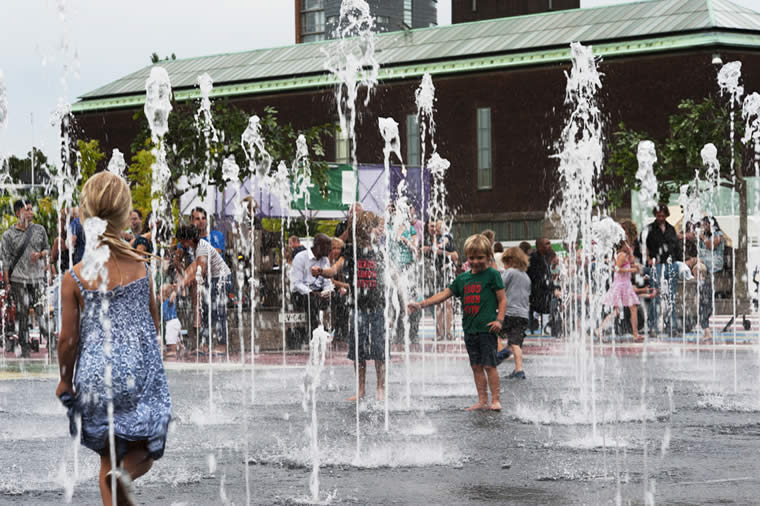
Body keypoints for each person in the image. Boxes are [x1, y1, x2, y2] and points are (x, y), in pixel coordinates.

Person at [56, 172, 171, 506]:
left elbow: (67, 340)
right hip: (136, 371)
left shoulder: (74, 276)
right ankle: (126, 474)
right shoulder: (141, 267)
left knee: (108, 455)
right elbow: (153, 323)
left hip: (94, 375)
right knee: (147, 446)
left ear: (85, 215)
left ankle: (116, 477)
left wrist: (65, 381)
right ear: (126, 215)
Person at [409, 234, 506, 411]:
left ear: (488, 257)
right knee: (476, 366)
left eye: (480, 258)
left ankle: (496, 399)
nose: (476, 261)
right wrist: (420, 305)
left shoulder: (492, 275)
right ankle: (482, 399)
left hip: (487, 329)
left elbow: (502, 299)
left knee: (490, 365)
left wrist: (499, 320)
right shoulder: (462, 279)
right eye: (471, 258)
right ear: (466, 258)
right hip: (469, 330)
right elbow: (443, 295)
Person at [315, 211, 387, 400]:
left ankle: (381, 387)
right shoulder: (350, 251)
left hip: (378, 306)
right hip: (358, 307)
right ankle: (361, 389)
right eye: (372, 226)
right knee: (358, 350)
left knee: (379, 349)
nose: (376, 231)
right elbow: (333, 270)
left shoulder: (379, 250)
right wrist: (321, 271)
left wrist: (404, 297)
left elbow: (392, 274)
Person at [1, 199, 50, 357]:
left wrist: (41, 254)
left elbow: (47, 250)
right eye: (27, 209)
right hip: (18, 279)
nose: (31, 212)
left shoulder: (39, 230)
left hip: (36, 277)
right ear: (18, 213)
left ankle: (51, 342)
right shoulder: (8, 235)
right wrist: (7, 283)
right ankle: (24, 347)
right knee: (22, 312)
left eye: (31, 209)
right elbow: (6, 260)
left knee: (40, 310)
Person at [175, 224, 232, 354]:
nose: (180, 244)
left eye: (181, 241)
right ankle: (204, 344)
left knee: (218, 311)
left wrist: (182, 285)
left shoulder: (201, 248)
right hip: (213, 280)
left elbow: (200, 274)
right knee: (205, 310)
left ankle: (222, 345)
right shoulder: (196, 248)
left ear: (188, 239)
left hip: (222, 279)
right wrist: (181, 281)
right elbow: (192, 268)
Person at [598, 220, 643, 342]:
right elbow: (617, 269)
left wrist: (632, 262)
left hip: (624, 284)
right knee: (625, 309)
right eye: (627, 244)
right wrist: (633, 269)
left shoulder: (624, 254)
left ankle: (601, 329)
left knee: (622, 309)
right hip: (622, 285)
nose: (629, 246)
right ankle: (634, 333)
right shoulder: (622, 255)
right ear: (622, 244)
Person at [642, 204, 681, 336]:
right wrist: (647, 259)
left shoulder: (671, 229)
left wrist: (679, 261)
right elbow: (642, 246)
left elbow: (676, 247)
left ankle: (672, 326)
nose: (660, 217)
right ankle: (653, 326)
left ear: (666, 215)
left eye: (662, 215)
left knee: (671, 296)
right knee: (656, 295)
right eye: (658, 215)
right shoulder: (649, 229)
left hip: (671, 264)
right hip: (656, 264)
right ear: (655, 215)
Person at [289, 233, 332, 345]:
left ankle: (338, 334)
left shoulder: (325, 260)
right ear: (318, 246)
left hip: (319, 291)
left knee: (338, 298)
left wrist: (327, 291)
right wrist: (311, 292)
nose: (330, 251)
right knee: (312, 301)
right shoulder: (300, 258)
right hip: (301, 293)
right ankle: (312, 336)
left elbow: (327, 281)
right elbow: (297, 283)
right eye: (327, 247)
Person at [498, 247, 531, 379]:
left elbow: (499, 286)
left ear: (511, 261)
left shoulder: (510, 272)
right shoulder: (526, 276)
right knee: (515, 343)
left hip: (510, 312)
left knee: (492, 330)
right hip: (523, 315)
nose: (504, 266)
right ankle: (519, 370)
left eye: (505, 263)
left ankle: (501, 351)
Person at [527, 238, 554, 334]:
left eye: (549, 243)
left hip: (545, 292)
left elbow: (548, 277)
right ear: (539, 247)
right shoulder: (533, 259)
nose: (549, 245)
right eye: (547, 244)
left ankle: (550, 326)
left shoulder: (547, 257)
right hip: (536, 294)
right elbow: (533, 277)